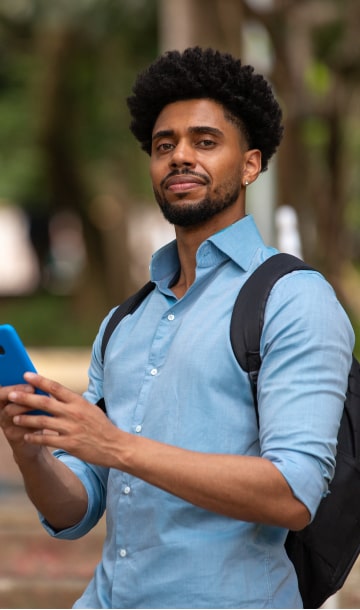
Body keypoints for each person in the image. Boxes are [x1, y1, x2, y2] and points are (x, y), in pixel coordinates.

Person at [0, 47, 354, 609]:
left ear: (251, 164)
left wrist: (116, 445)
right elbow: (74, 511)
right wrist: (30, 451)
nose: (180, 157)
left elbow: (294, 493)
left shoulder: (293, 298)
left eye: (205, 141)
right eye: (164, 145)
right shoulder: (125, 321)